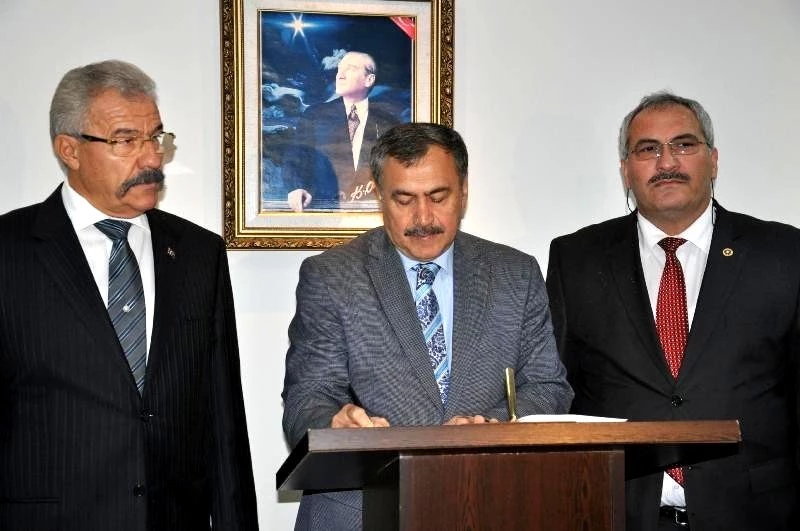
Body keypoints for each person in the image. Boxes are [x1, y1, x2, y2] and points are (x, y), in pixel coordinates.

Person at [0, 60, 258, 531]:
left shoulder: (199, 253)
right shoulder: (9, 249)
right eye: (125, 140)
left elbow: (224, 423)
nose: (151, 159)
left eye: (156, 138)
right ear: (69, 150)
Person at [282, 122, 573, 530]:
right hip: (361, 511)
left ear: (464, 191)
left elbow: (547, 386)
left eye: (438, 197)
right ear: (379, 195)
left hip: (489, 504)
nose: (423, 217)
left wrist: (490, 428)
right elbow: (307, 397)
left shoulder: (516, 274)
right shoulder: (332, 277)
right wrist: (336, 422)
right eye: (404, 199)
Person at [546, 91, 800, 530]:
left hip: (756, 513)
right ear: (625, 170)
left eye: (683, 145)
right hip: (616, 512)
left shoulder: (783, 254)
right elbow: (558, 389)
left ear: (713, 161)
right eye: (648, 149)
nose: (666, 162)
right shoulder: (577, 259)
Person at [285, 51, 401, 212]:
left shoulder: (389, 122)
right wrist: (297, 187)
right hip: (324, 211)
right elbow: (297, 156)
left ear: (369, 79)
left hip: (373, 213)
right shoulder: (315, 115)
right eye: (339, 69)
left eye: (350, 69)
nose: (340, 75)